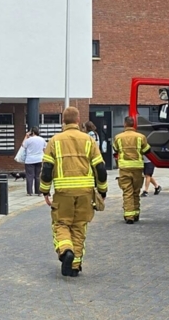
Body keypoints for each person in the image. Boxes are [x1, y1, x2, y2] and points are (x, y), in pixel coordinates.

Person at [40, 107, 108, 277]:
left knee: (61, 224)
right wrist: (102, 190)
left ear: (63, 121)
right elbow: (100, 168)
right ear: (78, 120)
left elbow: (47, 169)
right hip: (85, 192)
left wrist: (45, 190)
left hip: (63, 193)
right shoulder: (89, 140)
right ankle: (75, 266)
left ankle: (66, 250)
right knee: (79, 226)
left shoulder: (54, 141)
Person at [114, 116, 150, 223]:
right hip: (137, 168)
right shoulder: (141, 137)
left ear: (125, 124)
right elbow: (147, 150)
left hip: (124, 168)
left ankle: (129, 216)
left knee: (127, 191)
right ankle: (136, 213)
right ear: (134, 124)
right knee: (136, 191)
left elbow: (115, 151)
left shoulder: (118, 137)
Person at [21, 127, 46, 195]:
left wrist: (26, 136)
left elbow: (23, 145)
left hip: (29, 160)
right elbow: (44, 149)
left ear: (32, 132)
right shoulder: (42, 139)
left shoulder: (29, 140)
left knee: (29, 176)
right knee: (38, 176)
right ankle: (38, 192)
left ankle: (29, 192)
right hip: (39, 159)